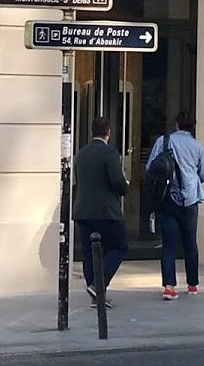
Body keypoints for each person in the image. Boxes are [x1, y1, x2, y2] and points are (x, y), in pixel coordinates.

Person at [146, 111, 204, 301]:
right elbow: (203, 175)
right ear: (193, 127)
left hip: (167, 198)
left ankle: (169, 287)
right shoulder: (198, 147)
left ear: (177, 125)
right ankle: (192, 284)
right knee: (190, 242)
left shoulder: (163, 142)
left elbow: (150, 167)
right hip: (190, 199)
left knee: (169, 244)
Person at [72, 117, 129, 307]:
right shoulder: (110, 153)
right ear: (108, 133)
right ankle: (98, 285)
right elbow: (117, 181)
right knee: (119, 245)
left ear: (92, 132)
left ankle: (95, 293)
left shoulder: (81, 153)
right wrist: (125, 188)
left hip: (83, 210)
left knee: (89, 252)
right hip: (106, 211)